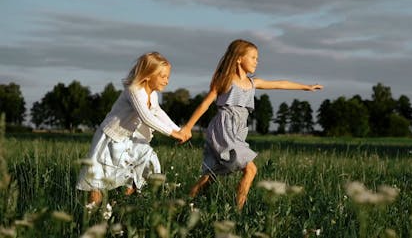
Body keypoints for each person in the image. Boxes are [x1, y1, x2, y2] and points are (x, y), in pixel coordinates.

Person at [179, 39, 323, 210]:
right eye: (253, 57)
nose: (257, 61)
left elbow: (279, 84)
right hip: (223, 129)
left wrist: (306, 87)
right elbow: (205, 104)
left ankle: (185, 204)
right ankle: (238, 211)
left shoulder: (253, 83)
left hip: (238, 131)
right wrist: (188, 127)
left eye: (257, 58)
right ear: (239, 58)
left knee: (211, 176)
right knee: (251, 169)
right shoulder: (225, 81)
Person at [76, 52, 188, 204]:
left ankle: (123, 204)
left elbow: (157, 112)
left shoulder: (152, 95)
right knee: (98, 182)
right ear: (147, 75)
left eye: (168, 77)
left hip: (128, 140)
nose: (167, 81)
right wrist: (173, 134)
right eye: (163, 76)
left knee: (142, 165)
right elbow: (146, 117)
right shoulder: (134, 90)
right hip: (110, 139)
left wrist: (179, 130)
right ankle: (91, 215)